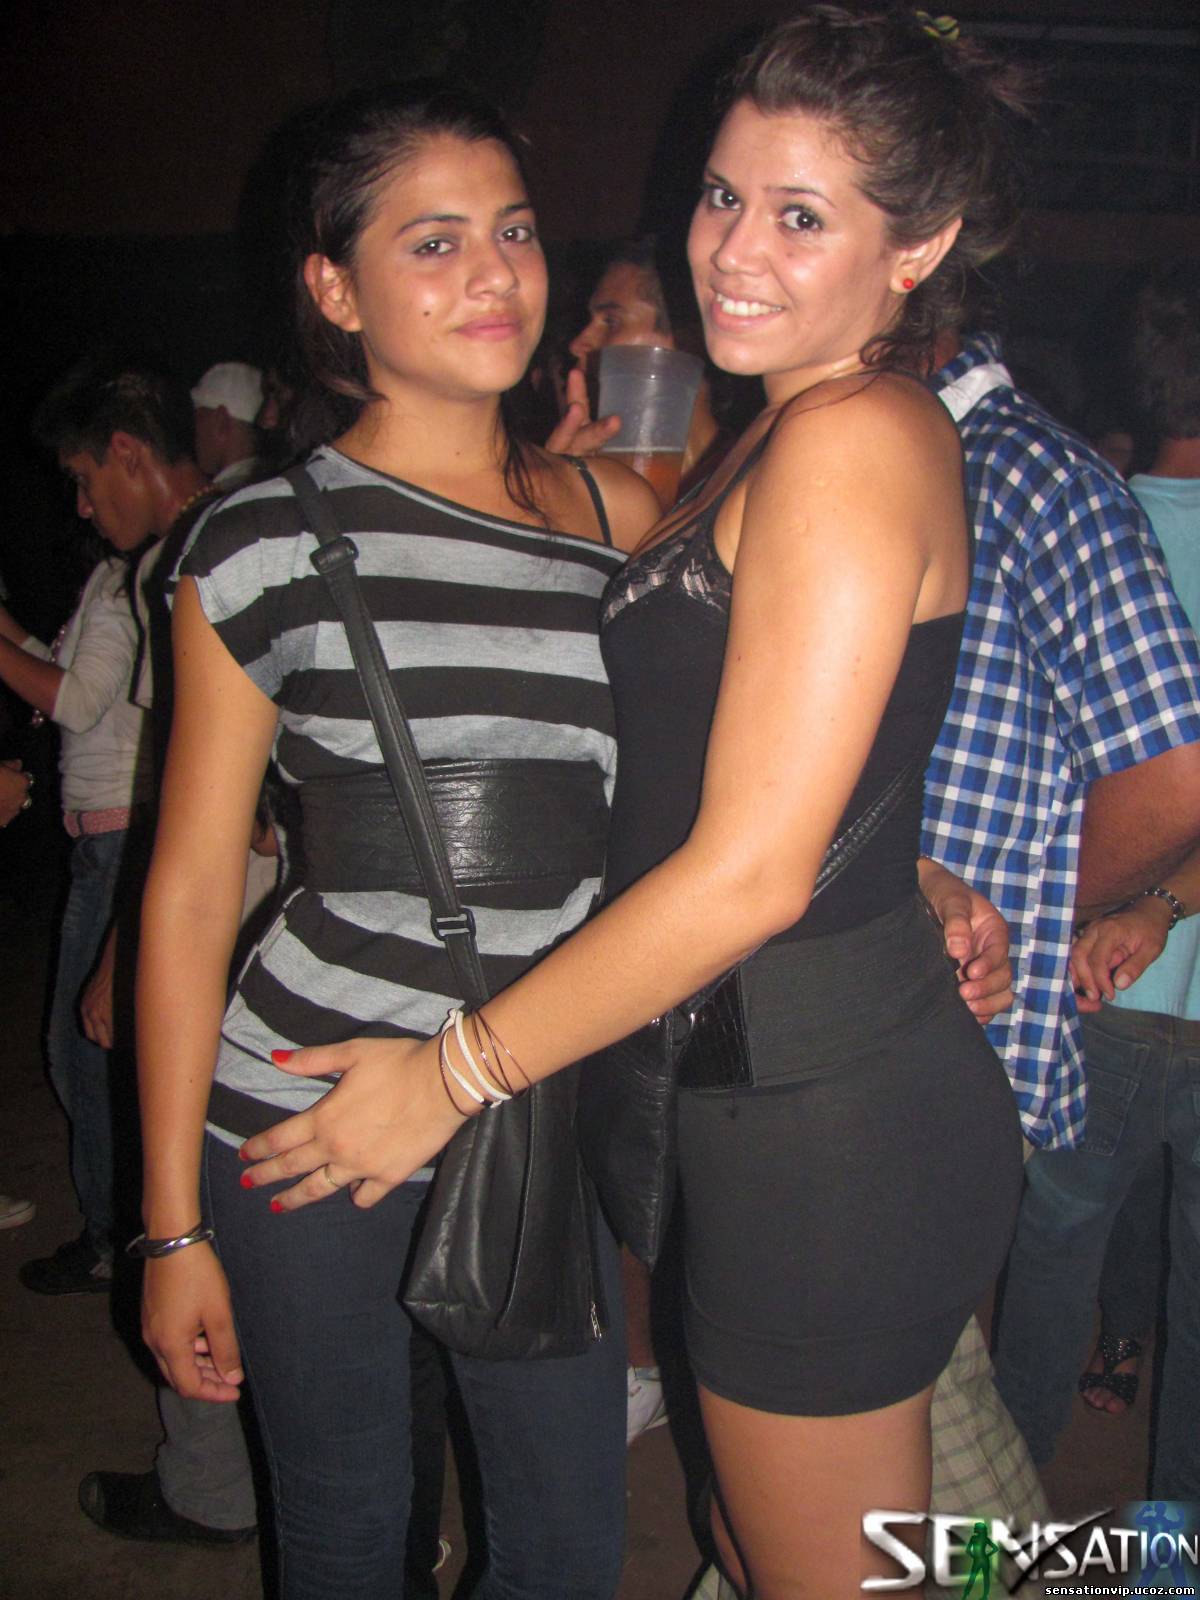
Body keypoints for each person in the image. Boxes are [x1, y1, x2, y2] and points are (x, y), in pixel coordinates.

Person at [235, 14, 1031, 1597]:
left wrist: (449, 1076)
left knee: (831, 1573)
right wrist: (911, 864)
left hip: (821, 1117)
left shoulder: (853, 437)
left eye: (801, 216)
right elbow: (749, 761)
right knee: (782, 1540)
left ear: (919, 247)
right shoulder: (772, 432)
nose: (732, 250)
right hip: (768, 1092)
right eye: (725, 196)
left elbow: (747, 873)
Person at [135, 81, 661, 1600]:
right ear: (334, 287)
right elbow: (190, 892)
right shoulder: (258, 537)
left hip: (531, 1094)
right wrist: (170, 1230)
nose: (495, 274)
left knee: (566, 1546)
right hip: (304, 1115)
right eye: (434, 243)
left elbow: (730, 774)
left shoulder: (617, 515)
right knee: (349, 1527)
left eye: (513, 231)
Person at [991, 262, 1200, 1500]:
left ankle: (990, 1557)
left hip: (1096, 986)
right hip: (1122, 966)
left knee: (1049, 1266)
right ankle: (1169, 1567)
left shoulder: (1079, 523)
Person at [3, 366, 204, 1293]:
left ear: (126, 451)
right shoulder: (143, 569)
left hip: (146, 845)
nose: (81, 506)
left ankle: (124, 1240)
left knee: (96, 1047)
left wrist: (131, 931)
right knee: (94, 1046)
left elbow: (126, 731)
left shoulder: (173, 563)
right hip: (130, 844)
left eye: (84, 480)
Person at [190, 361, 264, 491]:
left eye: (199, 420)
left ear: (221, 421)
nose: (195, 432)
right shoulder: (268, 481)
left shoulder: (225, 495)